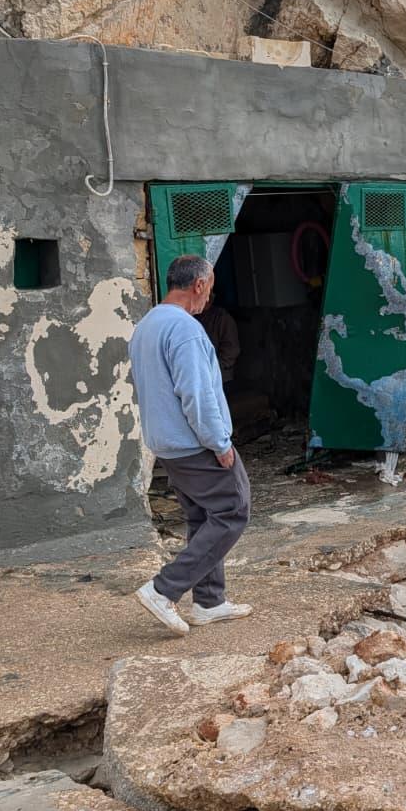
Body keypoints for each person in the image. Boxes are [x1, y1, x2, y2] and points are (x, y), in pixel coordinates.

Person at [128, 255, 252, 635]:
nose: (208, 297)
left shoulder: (147, 325)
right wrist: (219, 442)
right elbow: (196, 395)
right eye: (209, 288)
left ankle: (209, 602)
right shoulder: (185, 330)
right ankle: (163, 589)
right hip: (194, 444)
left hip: (167, 444)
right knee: (233, 510)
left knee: (202, 517)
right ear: (199, 285)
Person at [197, 301, 241, 385]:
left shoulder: (221, 317)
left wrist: (213, 369)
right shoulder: (191, 316)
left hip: (221, 378)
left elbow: (232, 350)